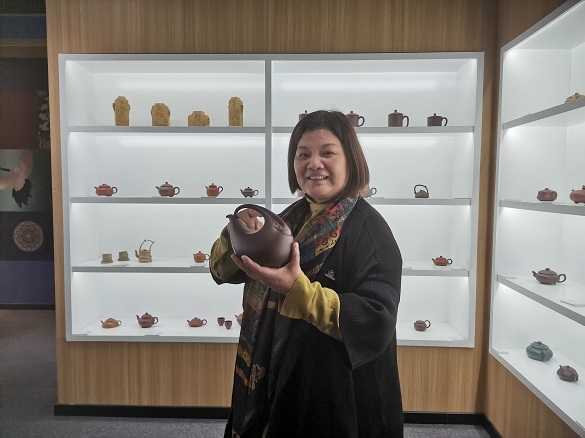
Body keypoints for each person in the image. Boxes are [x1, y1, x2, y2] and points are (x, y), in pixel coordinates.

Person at [210, 110, 403, 438]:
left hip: (339, 389)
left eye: (328, 152)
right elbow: (228, 270)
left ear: (351, 161)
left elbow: (376, 317)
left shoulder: (370, 230)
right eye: (303, 155)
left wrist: (294, 288)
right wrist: (239, 234)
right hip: (283, 369)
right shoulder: (290, 218)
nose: (314, 163)